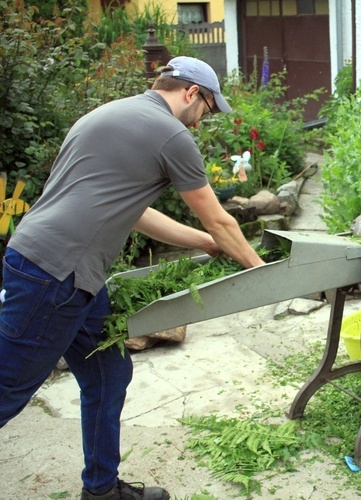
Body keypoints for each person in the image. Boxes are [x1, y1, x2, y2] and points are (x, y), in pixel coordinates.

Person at [0, 56, 265, 499]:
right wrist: (262, 272)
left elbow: (138, 213)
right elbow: (222, 221)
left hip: (63, 270)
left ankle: (101, 490)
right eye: (207, 110)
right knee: (7, 391)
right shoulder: (171, 134)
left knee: (108, 374)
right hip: (55, 275)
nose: (202, 122)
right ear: (191, 93)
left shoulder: (107, 115)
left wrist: (202, 243)